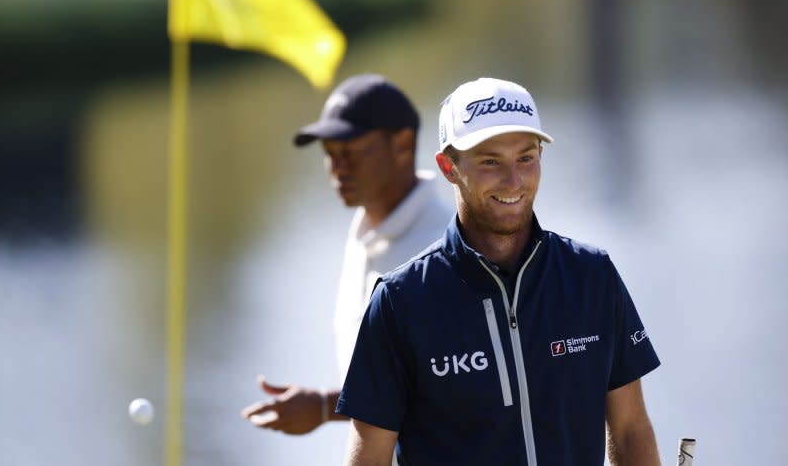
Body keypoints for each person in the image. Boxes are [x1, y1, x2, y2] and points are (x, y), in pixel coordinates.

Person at [336, 77, 662, 466]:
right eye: (490, 161)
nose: (514, 181)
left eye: (526, 157)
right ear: (448, 167)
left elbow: (630, 430)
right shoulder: (399, 302)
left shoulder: (592, 276)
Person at [240, 74, 452, 438]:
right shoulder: (361, 235)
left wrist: (325, 406)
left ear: (402, 144)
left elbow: (447, 387)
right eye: (330, 154)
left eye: (351, 152)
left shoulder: (442, 250)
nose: (338, 168)